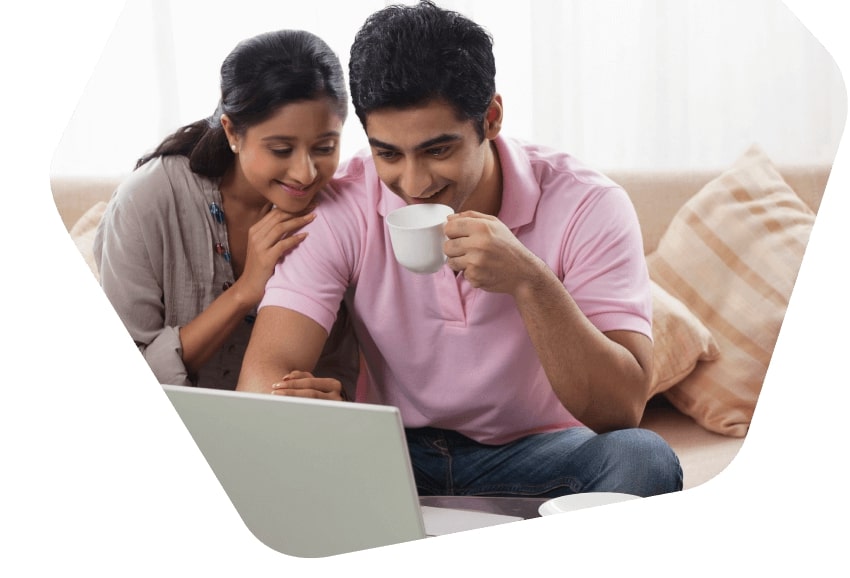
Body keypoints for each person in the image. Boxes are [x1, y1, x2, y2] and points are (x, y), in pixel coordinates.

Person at [238, 2, 682, 497]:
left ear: (490, 118)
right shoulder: (343, 203)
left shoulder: (588, 204)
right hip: (395, 449)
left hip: (544, 451)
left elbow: (621, 410)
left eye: (438, 149)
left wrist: (530, 282)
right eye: (388, 153)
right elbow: (260, 377)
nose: (413, 182)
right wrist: (303, 409)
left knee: (645, 458)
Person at [94, 29, 357, 397]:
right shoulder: (149, 201)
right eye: (281, 149)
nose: (306, 173)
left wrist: (337, 397)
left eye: (325, 147)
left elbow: (347, 366)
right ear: (232, 132)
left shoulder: (338, 213)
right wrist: (245, 292)